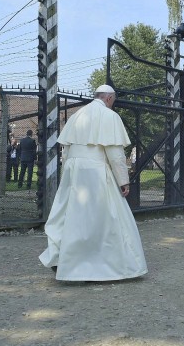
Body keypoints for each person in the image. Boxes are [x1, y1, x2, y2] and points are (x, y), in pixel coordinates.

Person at [39, 84, 147, 282]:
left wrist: (67, 177)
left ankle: (63, 259)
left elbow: (67, 150)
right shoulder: (110, 116)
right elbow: (115, 154)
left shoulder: (77, 115)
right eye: (113, 101)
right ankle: (104, 265)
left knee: (71, 216)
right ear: (109, 98)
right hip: (96, 171)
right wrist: (124, 180)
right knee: (105, 218)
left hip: (74, 171)